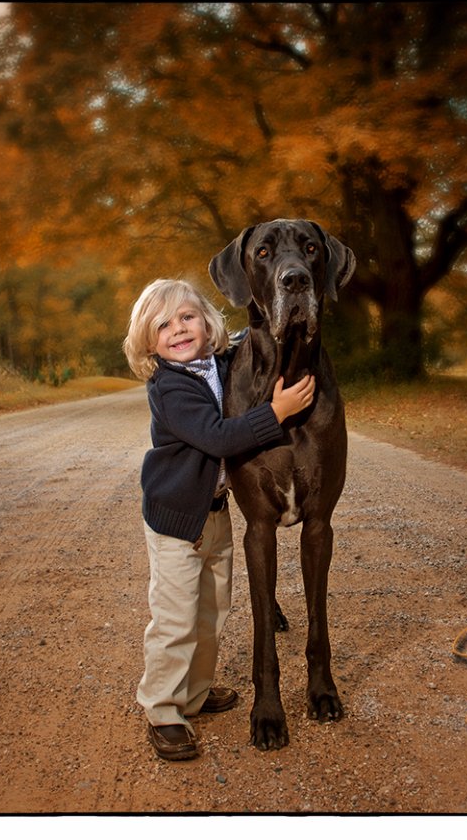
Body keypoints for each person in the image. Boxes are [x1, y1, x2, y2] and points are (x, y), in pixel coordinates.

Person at [123, 278, 315, 761]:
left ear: (207, 323)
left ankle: (196, 692)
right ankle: (164, 708)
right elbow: (218, 437)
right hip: (175, 521)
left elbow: (260, 348)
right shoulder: (168, 387)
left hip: (215, 516)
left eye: (187, 317)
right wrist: (276, 412)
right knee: (176, 619)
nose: (178, 329)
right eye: (162, 325)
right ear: (149, 342)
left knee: (211, 612)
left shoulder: (225, 366)